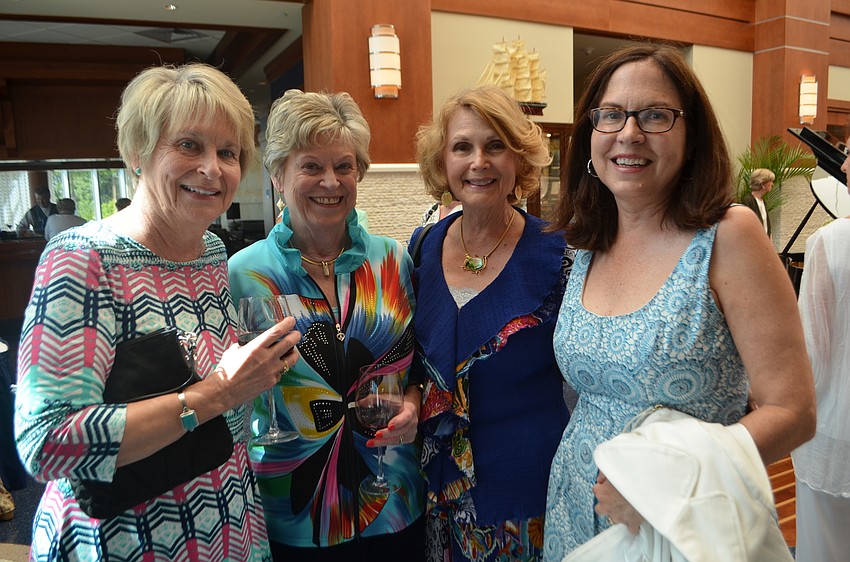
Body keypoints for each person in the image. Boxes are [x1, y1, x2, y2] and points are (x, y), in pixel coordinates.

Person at [14, 63, 301, 561]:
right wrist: (217, 393)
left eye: (228, 152)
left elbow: (203, 368)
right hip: (124, 538)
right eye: (189, 145)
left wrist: (248, 372)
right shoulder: (83, 258)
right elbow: (46, 442)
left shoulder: (211, 252)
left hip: (227, 520)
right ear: (137, 154)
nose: (212, 167)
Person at [543, 44, 815, 560]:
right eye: (611, 115)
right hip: (575, 511)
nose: (629, 133)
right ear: (590, 135)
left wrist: (656, 485)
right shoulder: (588, 243)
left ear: (692, 136)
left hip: (683, 525)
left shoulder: (729, 236)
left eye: (654, 115)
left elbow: (794, 410)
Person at [228, 89, 424, 562]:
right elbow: (229, 390)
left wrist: (414, 406)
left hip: (393, 497)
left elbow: (417, 364)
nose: (330, 181)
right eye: (311, 166)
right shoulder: (245, 274)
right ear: (278, 175)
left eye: (344, 165)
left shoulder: (393, 260)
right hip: (296, 509)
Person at [410, 85, 572, 562]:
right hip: (438, 493)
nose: (478, 160)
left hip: (527, 491)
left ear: (519, 160)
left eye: (495, 145)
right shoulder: (420, 247)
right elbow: (412, 364)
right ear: (443, 163)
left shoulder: (560, 254)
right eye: (462, 146)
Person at [791, 138, 850, 562]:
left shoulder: (831, 242)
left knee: (823, 547)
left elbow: (810, 351)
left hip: (834, 426)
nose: (844, 168)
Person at [742, 167, 775, 235]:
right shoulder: (748, 201)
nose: (772, 184)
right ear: (763, 184)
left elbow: (766, 226)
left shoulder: (763, 201)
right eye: (770, 181)